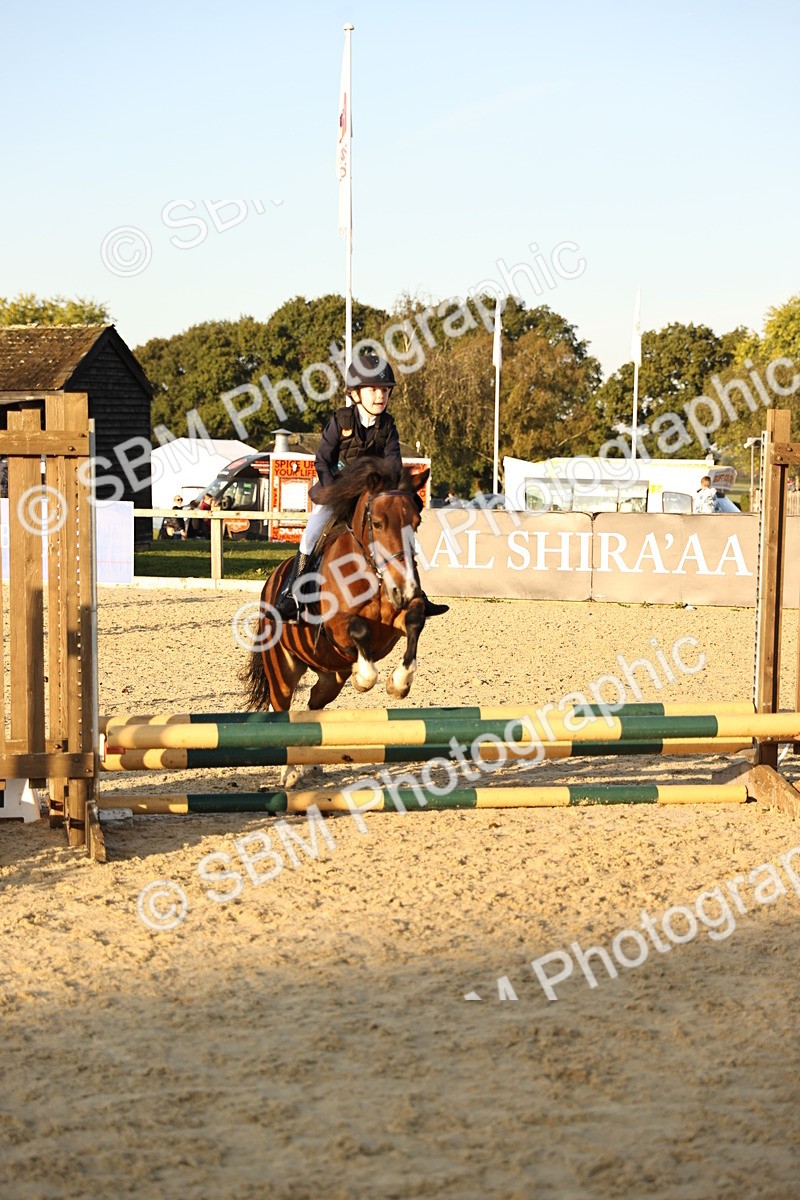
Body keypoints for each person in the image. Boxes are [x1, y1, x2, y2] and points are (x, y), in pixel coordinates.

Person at [275, 351, 448, 622]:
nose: (381, 396)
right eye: (374, 390)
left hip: (371, 496)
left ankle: (417, 593)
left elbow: (393, 467)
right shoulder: (341, 421)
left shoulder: (388, 426)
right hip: (337, 492)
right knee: (311, 533)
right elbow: (322, 460)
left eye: (385, 391)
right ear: (355, 394)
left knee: (401, 536)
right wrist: (333, 494)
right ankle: (292, 595)